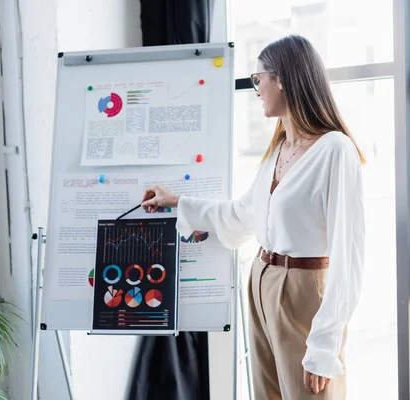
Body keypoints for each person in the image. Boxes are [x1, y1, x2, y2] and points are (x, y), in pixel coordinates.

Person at [141, 35, 365, 400]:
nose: (255, 87)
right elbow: (242, 214)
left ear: (283, 79)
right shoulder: (279, 149)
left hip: (303, 289)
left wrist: (324, 347)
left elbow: (349, 256)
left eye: (258, 78)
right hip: (262, 279)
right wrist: (176, 202)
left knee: (312, 394)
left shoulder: (335, 151)